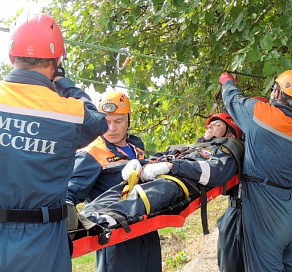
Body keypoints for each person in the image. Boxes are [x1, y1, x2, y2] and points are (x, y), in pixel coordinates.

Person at [0, 13, 108, 272]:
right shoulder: (68, 113)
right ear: (57, 62)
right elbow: (99, 122)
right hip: (44, 243)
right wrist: (64, 83)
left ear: (12, 58)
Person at [75, 113, 243, 249]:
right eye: (210, 124)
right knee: (123, 188)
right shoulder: (191, 147)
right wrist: (139, 163)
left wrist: (171, 167)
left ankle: (102, 220)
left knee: (148, 194)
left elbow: (214, 173)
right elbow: (160, 156)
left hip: (177, 182)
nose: (210, 126)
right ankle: (81, 217)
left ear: (229, 132)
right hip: (159, 173)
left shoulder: (227, 148)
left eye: (217, 125)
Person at [66, 90, 162, 272]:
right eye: (106, 122)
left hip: (147, 229)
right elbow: (69, 194)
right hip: (117, 237)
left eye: (118, 121)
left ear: (128, 120)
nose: (112, 128)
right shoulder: (92, 153)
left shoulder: (136, 147)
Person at [219, 70, 292, 272]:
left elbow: (232, 99)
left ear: (277, 94)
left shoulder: (261, 113)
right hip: (288, 207)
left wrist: (227, 80)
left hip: (264, 209)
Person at [216, 96, 269, 272]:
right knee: (230, 264)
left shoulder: (268, 145)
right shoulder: (236, 146)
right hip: (235, 212)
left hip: (259, 214)